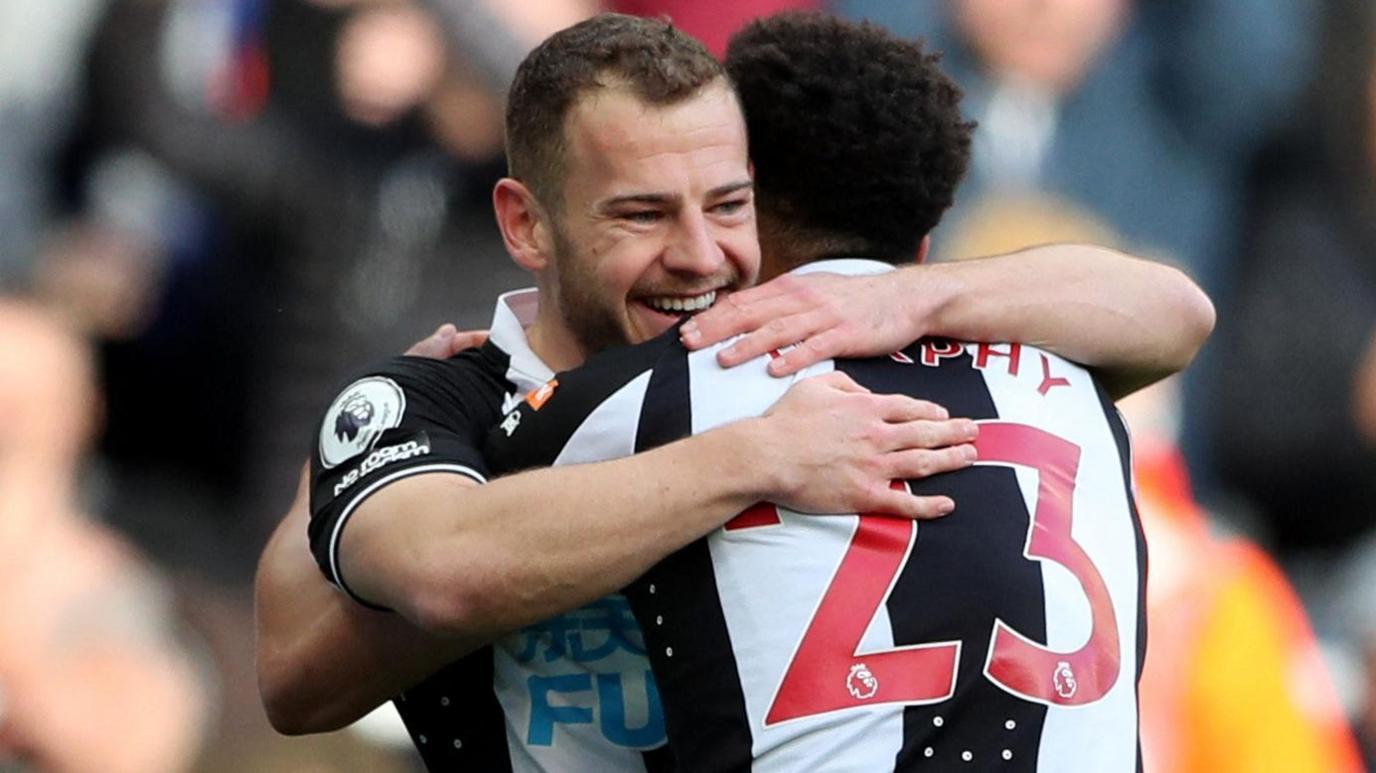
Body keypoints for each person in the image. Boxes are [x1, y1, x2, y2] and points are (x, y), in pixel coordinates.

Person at [255, 12, 1214, 770]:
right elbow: (306, 673)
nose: (702, 255)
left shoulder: (806, 368)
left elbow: (1176, 310)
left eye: (727, 206)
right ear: (527, 224)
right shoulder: (451, 406)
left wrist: (913, 292)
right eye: (641, 213)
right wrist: (749, 461)